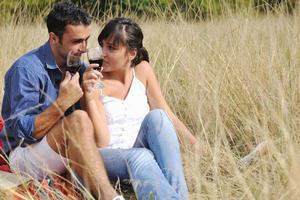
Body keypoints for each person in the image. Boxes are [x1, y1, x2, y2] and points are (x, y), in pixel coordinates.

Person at [0, 1, 124, 200]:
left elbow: (94, 135)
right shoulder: (26, 70)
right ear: (53, 38)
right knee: (79, 119)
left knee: (85, 121)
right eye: (76, 41)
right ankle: (111, 197)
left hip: (61, 151)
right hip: (22, 156)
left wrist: (88, 94)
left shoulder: (79, 68)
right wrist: (62, 103)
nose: (84, 48)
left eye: (87, 40)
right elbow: (22, 132)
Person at [83, 17, 197, 199]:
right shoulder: (96, 81)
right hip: (108, 156)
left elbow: (167, 114)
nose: (103, 53)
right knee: (141, 156)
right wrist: (89, 96)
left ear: (132, 54)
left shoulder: (143, 70)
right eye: (102, 45)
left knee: (158, 117)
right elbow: (102, 142)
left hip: (140, 149)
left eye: (112, 48)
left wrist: (196, 145)